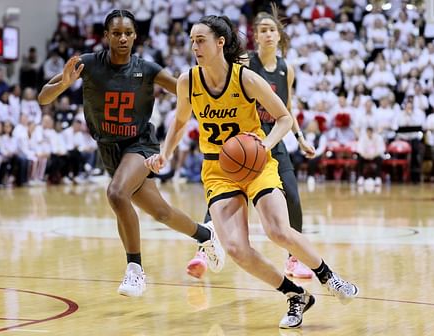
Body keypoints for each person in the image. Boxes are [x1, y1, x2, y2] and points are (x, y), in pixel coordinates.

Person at [145, 15, 358, 329]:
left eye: (200, 40)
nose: (194, 46)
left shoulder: (245, 78)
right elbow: (179, 123)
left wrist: (265, 144)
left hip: (256, 164)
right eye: (192, 40)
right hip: (217, 169)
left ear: (220, 43)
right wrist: (164, 153)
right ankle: (295, 295)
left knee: (278, 231)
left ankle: (329, 276)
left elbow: (284, 117)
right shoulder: (187, 80)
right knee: (235, 249)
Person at [38, 9, 225, 298]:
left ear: (135, 35)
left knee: (116, 193)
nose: (122, 38)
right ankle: (206, 235)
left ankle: (135, 270)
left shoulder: (147, 69)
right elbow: (43, 97)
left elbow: (184, 90)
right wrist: (64, 83)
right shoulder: (88, 64)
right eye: (116, 33)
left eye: (128, 33)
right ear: (106, 36)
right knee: (161, 212)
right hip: (109, 149)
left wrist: (217, 86)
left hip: (139, 145)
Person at [196, 5, 318, 279]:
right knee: (224, 191)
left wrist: (300, 138)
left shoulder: (287, 68)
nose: (268, 35)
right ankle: (206, 247)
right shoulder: (245, 62)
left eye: (271, 30)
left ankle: (294, 259)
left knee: (292, 197)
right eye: (262, 31)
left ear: (279, 35)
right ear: (255, 36)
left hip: (273, 137)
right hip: (243, 136)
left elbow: (286, 107)